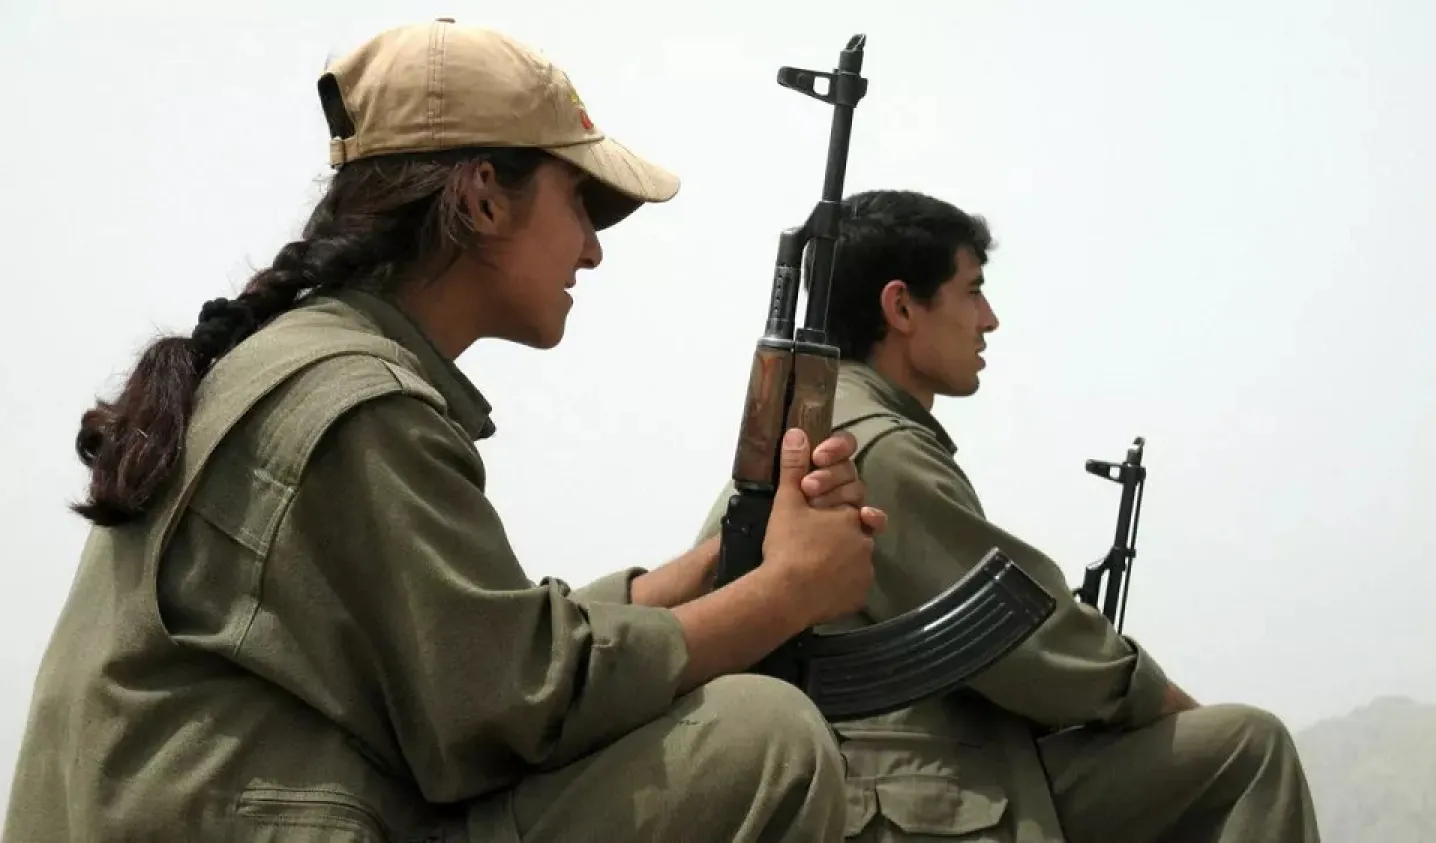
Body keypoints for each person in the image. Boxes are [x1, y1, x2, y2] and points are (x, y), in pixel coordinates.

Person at [4, 19, 889, 843]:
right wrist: (788, 591)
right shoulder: (356, 403)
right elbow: (511, 705)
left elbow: (486, 651)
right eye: (580, 201)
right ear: (482, 199)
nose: (593, 249)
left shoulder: (307, 364)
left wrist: (718, 565)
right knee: (761, 740)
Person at [694, 189, 1323, 843]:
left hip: (904, 771)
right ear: (902, 305)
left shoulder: (842, 420)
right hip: (896, 791)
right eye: (972, 291)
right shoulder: (872, 445)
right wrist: (1159, 701)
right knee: (1248, 749)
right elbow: (1030, 642)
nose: (988, 319)